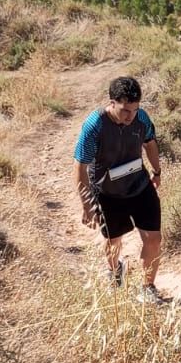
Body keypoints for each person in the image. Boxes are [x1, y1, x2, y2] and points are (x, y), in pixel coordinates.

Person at [73, 76, 164, 303]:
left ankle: (147, 287)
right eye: (125, 110)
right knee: (113, 241)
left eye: (135, 110)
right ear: (112, 102)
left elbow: (150, 143)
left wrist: (157, 171)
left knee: (154, 238)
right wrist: (87, 205)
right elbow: (80, 167)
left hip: (139, 185)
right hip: (108, 193)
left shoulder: (141, 118)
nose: (130, 116)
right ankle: (115, 270)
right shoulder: (94, 125)